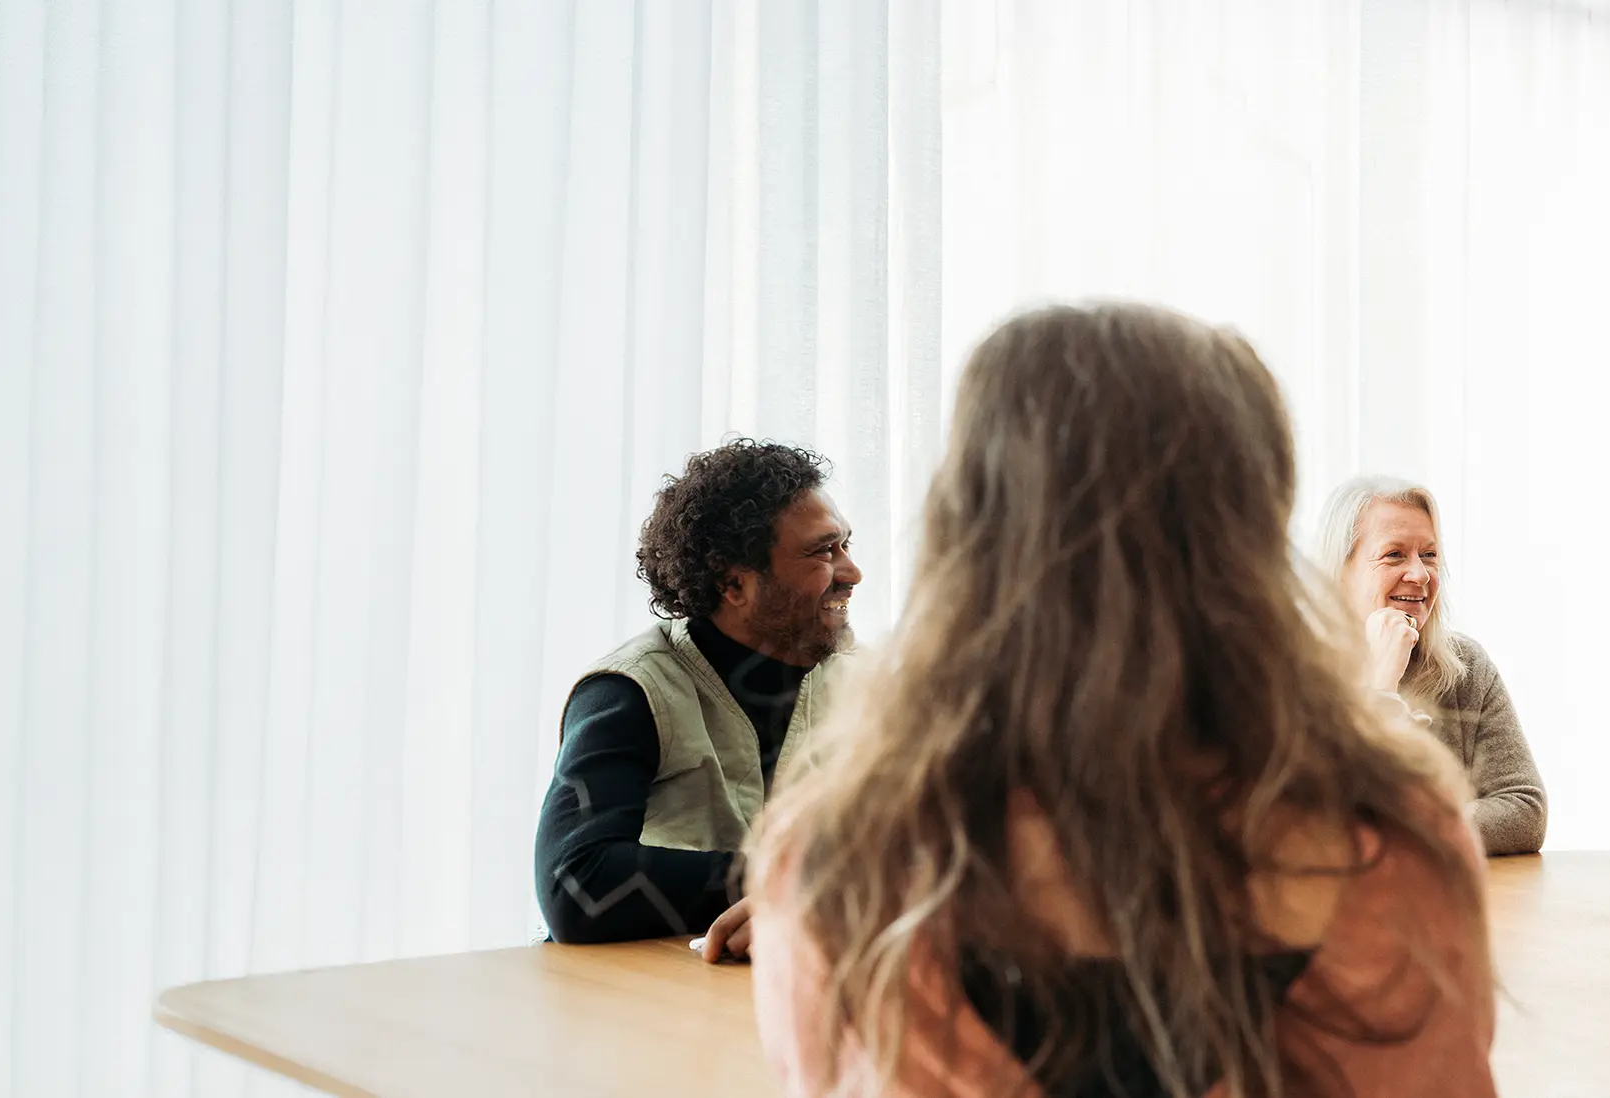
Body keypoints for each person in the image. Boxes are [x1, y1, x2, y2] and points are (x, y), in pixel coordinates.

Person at [747, 303, 1497, 1098]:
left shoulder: (836, 869)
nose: (1419, 573)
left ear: (969, 535)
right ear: (1254, 544)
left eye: (1429, 554)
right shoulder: (1403, 843)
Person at [534, 438, 861, 957]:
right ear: (733, 582)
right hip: (639, 1010)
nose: (851, 572)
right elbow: (576, 888)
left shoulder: (871, 686)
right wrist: (804, 884)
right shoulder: (630, 690)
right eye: (823, 551)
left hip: (791, 993)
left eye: (845, 544)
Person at [1314, 476, 1547, 855]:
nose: (1420, 575)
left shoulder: (1465, 665)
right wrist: (1380, 686)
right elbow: (1322, 825)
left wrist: (1407, 826)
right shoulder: (1291, 675)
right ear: (1341, 571)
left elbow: (1524, 810)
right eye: (1394, 554)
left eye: (1429, 555)